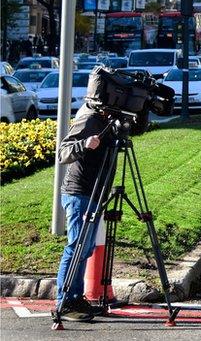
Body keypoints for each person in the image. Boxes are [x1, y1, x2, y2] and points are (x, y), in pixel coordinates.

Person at [55, 102, 112, 322]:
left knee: (86, 249)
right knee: (76, 247)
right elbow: (63, 152)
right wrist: (85, 144)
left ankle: (76, 297)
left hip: (95, 194)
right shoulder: (89, 118)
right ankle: (65, 301)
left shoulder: (108, 122)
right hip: (79, 193)